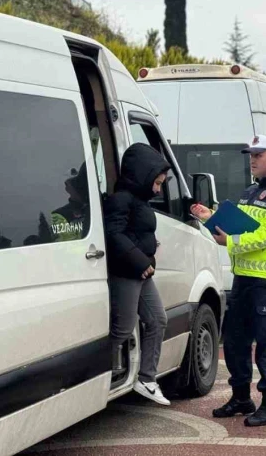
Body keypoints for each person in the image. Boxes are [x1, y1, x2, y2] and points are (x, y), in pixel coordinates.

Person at [190, 134, 266, 427]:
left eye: (258, 154)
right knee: (235, 341)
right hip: (242, 279)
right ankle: (241, 398)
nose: (252, 159)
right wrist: (209, 216)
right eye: (250, 154)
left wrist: (232, 242)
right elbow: (239, 225)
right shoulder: (249, 192)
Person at [103, 143, 172, 406]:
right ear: (143, 175)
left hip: (141, 272)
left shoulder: (139, 200)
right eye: (156, 183)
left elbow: (134, 232)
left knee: (158, 320)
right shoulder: (121, 199)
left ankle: (146, 379)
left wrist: (148, 253)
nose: (157, 189)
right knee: (121, 329)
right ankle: (98, 377)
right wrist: (140, 260)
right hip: (127, 273)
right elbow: (114, 234)